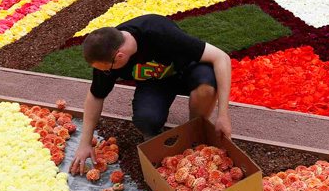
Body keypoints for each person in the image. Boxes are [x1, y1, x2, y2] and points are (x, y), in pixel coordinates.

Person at [70, 14, 233, 175]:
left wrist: (223, 115)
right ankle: (157, 143)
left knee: (206, 88)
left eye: (109, 69)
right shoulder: (105, 52)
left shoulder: (159, 32)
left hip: (187, 69)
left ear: (119, 56)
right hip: (155, 80)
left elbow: (221, 57)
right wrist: (85, 143)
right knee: (146, 119)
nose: (107, 73)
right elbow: (96, 96)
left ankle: (195, 131)